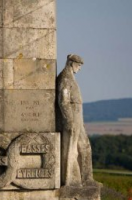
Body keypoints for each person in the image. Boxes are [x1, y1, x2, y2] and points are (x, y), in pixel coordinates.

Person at [57, 54, 95, 187]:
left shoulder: (70, 78)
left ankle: (87, 179)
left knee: (85, 147)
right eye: (78, 65)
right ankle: (73, 180)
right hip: (72, 118)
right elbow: (63, 101)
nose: (79, 68)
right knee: (72, 150)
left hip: (78, 118)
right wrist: (69, 120)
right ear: (71, 63)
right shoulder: (65, 78)